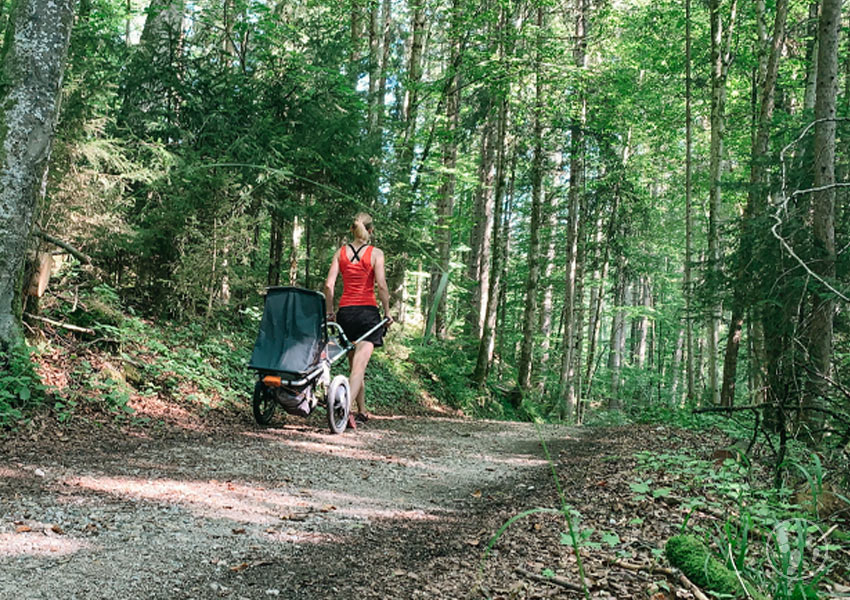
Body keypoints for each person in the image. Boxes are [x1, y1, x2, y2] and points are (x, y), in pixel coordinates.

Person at [324, 212, 392, 428]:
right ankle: (343, 411)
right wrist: (387, 312)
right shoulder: (376, 254)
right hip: (367, 315)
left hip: (345, 314)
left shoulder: (340, 252)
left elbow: (329, 285)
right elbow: (381, 285)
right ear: (370, 231)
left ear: (352, 229)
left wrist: (330, 312)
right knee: (358, 369)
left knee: (355, 365)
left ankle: (361, 411)